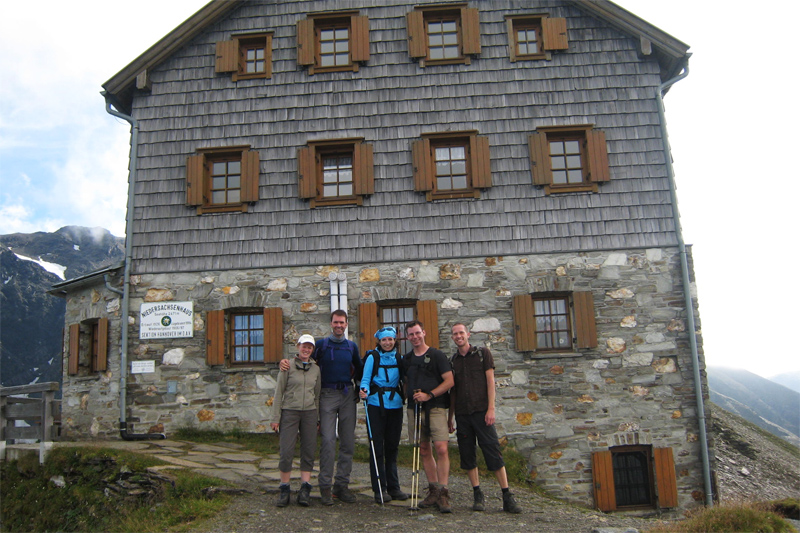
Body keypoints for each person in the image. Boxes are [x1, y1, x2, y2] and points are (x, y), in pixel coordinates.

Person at [279, 310, 362, 505]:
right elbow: (304, 358)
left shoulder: (352, 346)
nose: (339, 326)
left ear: (346, 324)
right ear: (331, 323)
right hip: (326, 394)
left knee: (348, 442)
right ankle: (325, 486)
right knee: (327, 440)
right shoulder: (322, 345)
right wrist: (284, 362)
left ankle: (342, 485)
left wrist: (361, 387)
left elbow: (359, 368)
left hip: (347, 394)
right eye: (336, 322)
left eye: (342, 322)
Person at [447, 323, 522, 514]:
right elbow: (452, 392)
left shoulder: (482, 354)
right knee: (467, 454)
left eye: (461, 333)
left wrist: (491, 409)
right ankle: (477, 494)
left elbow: (490, 382)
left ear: (468, 334)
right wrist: (451, 418)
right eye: (455, 334)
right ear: (452, 337)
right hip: (463, 415)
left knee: (492, 450)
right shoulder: (452, 361)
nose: (458, 336)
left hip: (482, 412)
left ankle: (506, 495)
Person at [403, 320, 454, 513]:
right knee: (423, 449)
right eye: (411, 335)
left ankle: (443, 492)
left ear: (423, 332)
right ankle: (433, 490)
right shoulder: (407, 359)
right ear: (407, 337)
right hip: (415, 408)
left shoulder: (437, 355)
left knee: (441, 447)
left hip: (436, 406)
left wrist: (429, 394)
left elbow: (449, 381)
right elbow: (405, 382)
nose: (415, 337)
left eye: (417, 333)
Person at [359, 326, 409, 504]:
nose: (387, 343)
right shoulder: (373, 357)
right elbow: (365, 378)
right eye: (384, 340)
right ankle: (379, 488)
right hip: (375, 404)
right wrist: (363, 390)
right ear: (379, 341)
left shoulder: (399, 358)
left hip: (395, 405)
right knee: (377, 447)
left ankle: (394, 487)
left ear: (395, 340)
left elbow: (405, 378)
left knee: (392, 447)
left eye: (390, 339)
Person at [271, 334, 321, 508]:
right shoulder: (287, 366)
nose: (306, 349)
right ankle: (284, 488)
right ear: (298, 346)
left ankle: (305, 488)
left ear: (312, 350)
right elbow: (279, 393)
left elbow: (317, 395)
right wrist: (275, 417)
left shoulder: (316, 369)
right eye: (303, 346)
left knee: (308, 449)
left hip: (309, 413)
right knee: (286, 450)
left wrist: (317, 418)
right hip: (289, 412)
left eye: (309, 347)